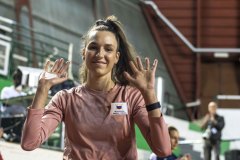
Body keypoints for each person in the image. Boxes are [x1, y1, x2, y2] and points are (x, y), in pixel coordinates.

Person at [21, 15, 171, 159]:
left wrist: (150, 94)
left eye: (108, 49)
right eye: (93, 47)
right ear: (83, 53)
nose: (100, 54)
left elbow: (163, 149)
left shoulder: (131, 97)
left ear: (116, 57)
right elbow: (29, 143)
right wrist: (42, 89)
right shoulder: (65, 99)